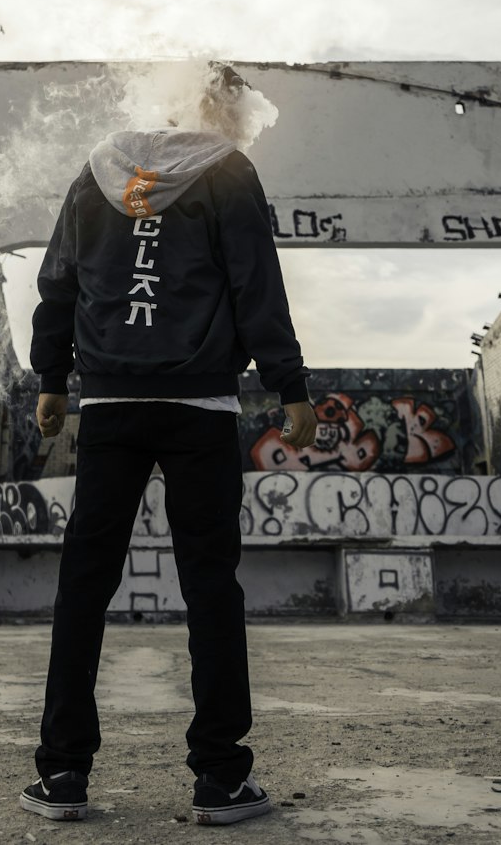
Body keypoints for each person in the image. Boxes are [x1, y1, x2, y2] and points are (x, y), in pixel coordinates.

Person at [20, 63, 318, 826]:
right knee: (210, 585)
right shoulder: (226, 170)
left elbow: (58, 280)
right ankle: (220, 777)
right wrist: (289, 386)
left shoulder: (99, 171)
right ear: (224, 109)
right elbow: (256, 283)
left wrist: (51, 377)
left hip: (111, 405)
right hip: (200, 406)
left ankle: (62, 774)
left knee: (85, 583)